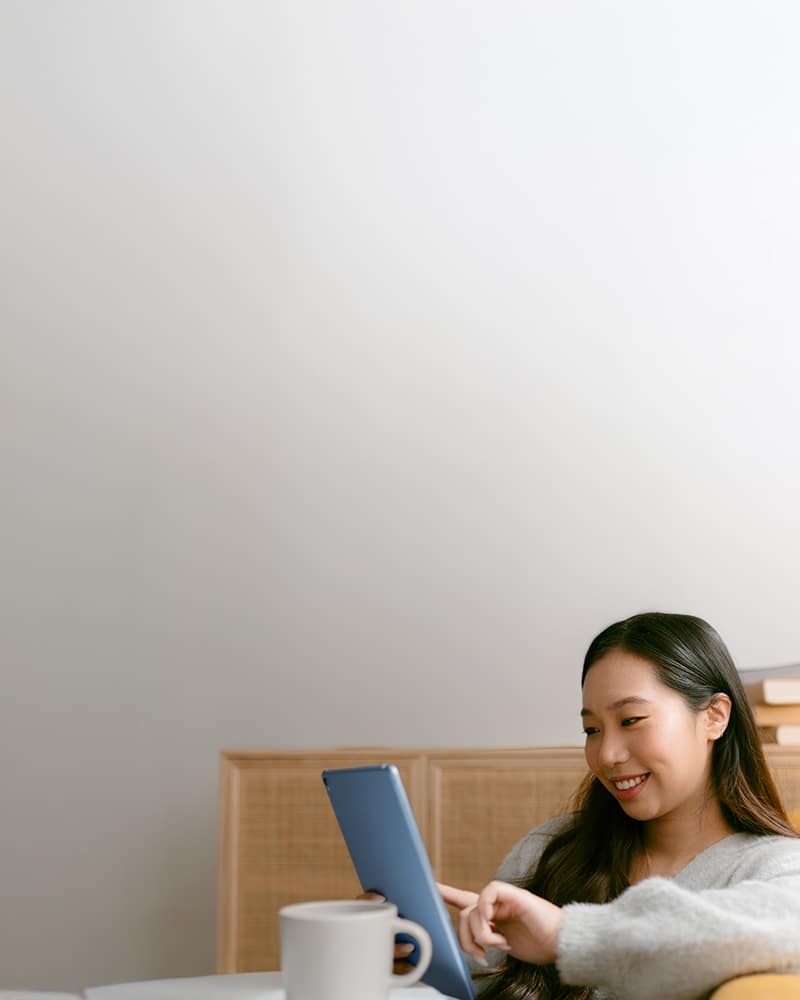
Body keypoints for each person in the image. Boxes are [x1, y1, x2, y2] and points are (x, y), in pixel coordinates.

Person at [435, 611, 800, 999]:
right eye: (592, 730)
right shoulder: (551, 847)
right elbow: (482, 979)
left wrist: (565, 934)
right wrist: (422, 949)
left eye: (631, 720)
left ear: (715, 717)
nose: (606, 754)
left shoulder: (776, 867)